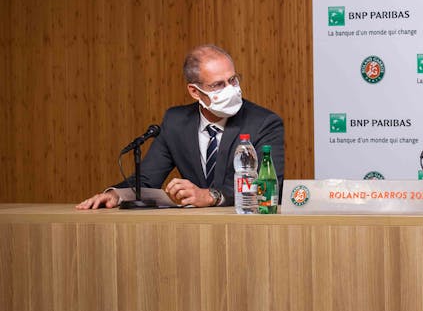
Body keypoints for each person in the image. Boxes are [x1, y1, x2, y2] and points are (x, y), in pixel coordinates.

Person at [76, 45, 284, 209]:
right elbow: (147, 178)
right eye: (218, 85)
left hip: (244, 227)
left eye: (233, 80)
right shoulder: (176, 122)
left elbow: (268, 185)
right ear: (195, 92)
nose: (231, 89)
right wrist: (115, 195)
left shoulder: (264, 122)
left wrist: (210, 196)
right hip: (191, 231)